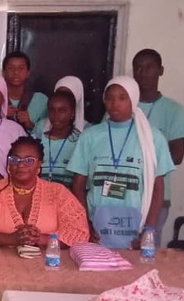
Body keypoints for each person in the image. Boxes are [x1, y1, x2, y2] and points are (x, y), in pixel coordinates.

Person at [69, 77, 174, 249]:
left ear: (133, 99)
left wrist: (148, 230)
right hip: (96, 227)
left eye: (122, 98)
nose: (114, 103)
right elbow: (78, 185)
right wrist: (84, 223)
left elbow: (158, 189)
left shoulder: (152, 138)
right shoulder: (90, 136)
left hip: (137, 229)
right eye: (109, 98)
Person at [0, 136, 90, 248]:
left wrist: (40, 239)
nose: (21, 165)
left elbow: (79, 232)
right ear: (8, 163)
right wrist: (12, 239)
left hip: (46, 265)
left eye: (29, 160)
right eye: (15, 159)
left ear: (39, 164)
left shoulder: (58, 192)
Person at [133, 48, 184, 246]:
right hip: (123, 195)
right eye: (138, 67)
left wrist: (139, 158)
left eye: (149, 67)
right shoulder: (121, 106)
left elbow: (177, 156)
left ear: (161, 70)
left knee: (147, 250)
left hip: (156, 195)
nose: (143, 73)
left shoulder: (173, 110)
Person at [32, 90, 82, 188]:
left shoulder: (80, 142)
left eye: (62, 110)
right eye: (52, 110)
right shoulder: (36, 140)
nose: (56, 115)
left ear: (72, 113)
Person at [3, 51, 47, 132]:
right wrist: (0, 116)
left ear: (27, 73)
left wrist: (30, 124)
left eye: (21, 68)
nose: (16, 72)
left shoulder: (41, 100)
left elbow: (49, 133)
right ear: (4, 72)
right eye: (11, 68)